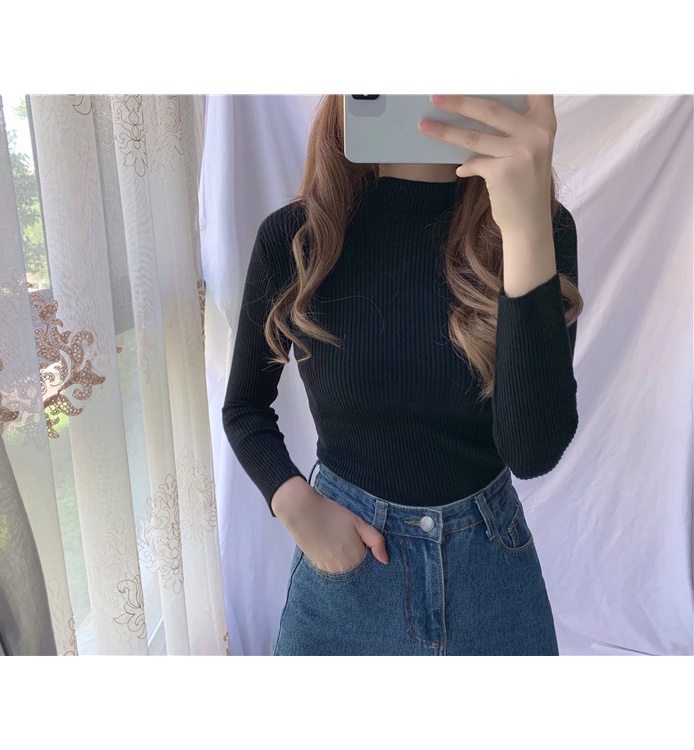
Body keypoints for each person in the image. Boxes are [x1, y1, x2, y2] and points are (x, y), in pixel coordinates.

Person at [221, 94, 583, 656]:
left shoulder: (539, 229)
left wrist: (526, 229)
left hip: (490, 579)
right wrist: (295, 504)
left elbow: (533, 452)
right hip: (345, 577)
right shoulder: (298, 240)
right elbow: (244, 406)